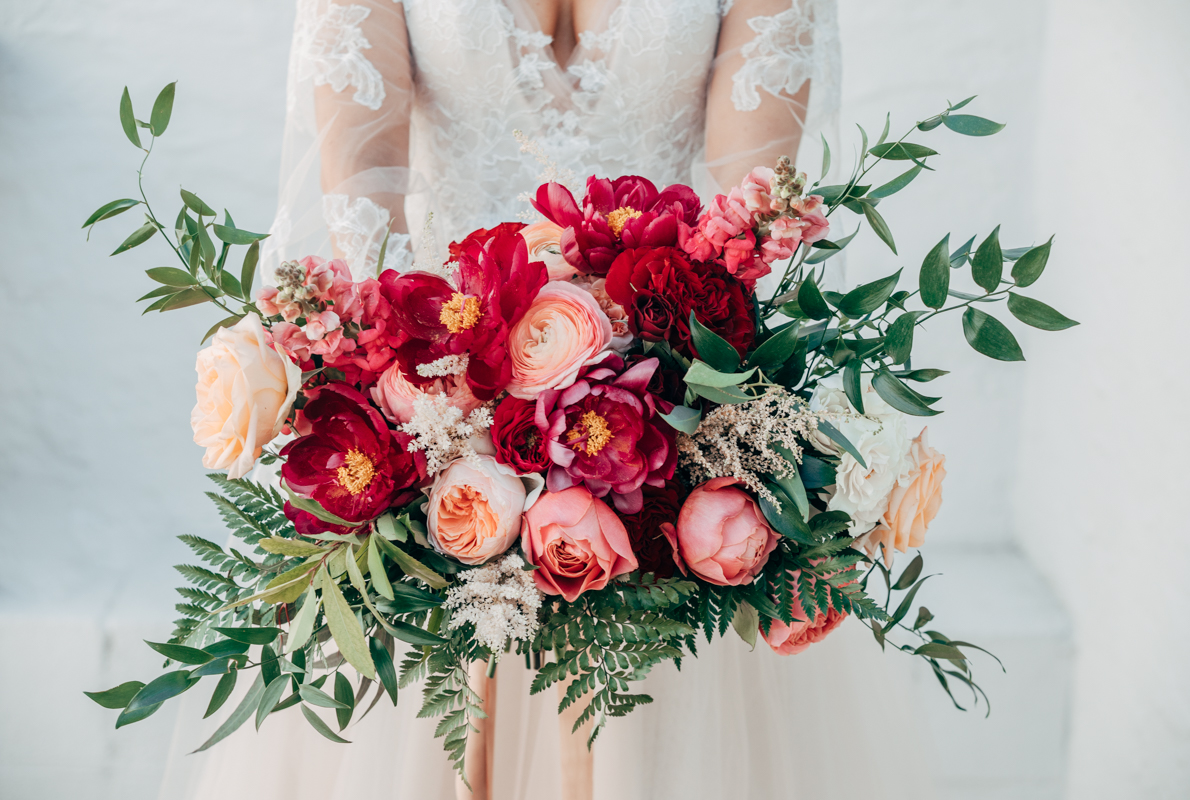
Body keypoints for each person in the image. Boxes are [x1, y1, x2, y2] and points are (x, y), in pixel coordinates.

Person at [158, 2, 935, 798]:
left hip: (662, 428)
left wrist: (663, 422)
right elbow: (359, 207)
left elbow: (753, 224)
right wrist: (432, 423)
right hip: (442, 403)